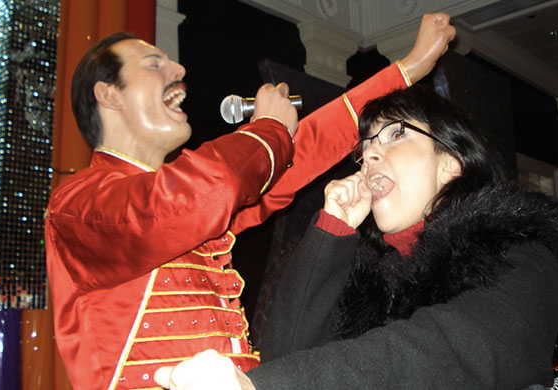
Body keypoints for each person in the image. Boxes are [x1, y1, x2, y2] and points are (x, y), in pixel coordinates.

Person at [45, 14, 455, 390]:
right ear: (109, 95)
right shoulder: (78, 206)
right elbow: (199, 192)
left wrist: (409, 68)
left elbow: (302, 152)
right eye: (153, 64)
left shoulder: (188, 201)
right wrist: (269, 128)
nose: (179, 71)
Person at [154, 85, 558, 390]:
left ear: (451, 162)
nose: (370, 153)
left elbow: (451, 350)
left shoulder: (517, 246)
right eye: (367, 144)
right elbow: (287, 353)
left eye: (397, 134)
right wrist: (332, 229)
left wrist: (260, 388)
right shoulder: (374, 277)